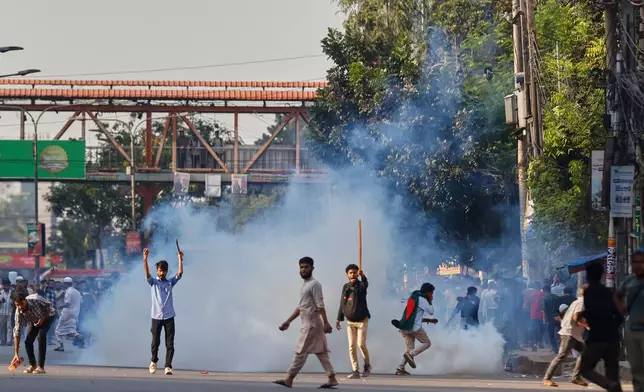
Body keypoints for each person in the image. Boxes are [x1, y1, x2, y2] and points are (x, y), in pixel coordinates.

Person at [274, 257, 338, 389]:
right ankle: (332, 378)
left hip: (312, 323)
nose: (303, 270)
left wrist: (326, 322)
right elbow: (301, 307)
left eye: (306, 267)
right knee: (321, 351)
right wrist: (288, 321)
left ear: (312, 268)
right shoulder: (305, 285)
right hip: (309, 322)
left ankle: (289, 379)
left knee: (300, 350)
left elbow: (320, 305)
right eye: (301, 267)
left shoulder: (315, 284)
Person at [579, 262, 623, 392]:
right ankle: (612, 385)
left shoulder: (589, 292)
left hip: (597, 338)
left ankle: (608, 385)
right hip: (613, 338)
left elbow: (593, 312)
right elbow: (619, 316)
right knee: (613, 375)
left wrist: (583, 314)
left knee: (585, 368)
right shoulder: (609, 292)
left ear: (588, 276)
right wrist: (612, 329)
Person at [144, 247, 184, 376]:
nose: (162, 273)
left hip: (169, 316)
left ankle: (168, 366)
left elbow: (180, 273)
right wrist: (145, 259)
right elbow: (147, 274)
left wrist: (179, 258)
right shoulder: (153, 282)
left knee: (170, 343)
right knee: (155, 342)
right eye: (160, 270)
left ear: (167, 271)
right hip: (156, 317)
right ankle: (154, 361)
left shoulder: (170, 282)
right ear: (157, 270)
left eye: (164, 271)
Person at [543, 286, 589, 387]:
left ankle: (575, 377)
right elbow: (576, 317)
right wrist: (586, 325)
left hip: (573, 334)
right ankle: (547, 379)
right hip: (568, 333)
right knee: (561, 356)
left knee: (585, 353)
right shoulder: (581, 303)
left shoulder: (579, 302)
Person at [392, 282, 438, 375]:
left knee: (409, 349)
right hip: (413, 328)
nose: (432, 295)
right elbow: (431, 311)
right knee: (427, 343)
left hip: (404, 326)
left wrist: (428, 320)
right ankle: (411, 355)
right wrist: (430, 301)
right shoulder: (423, 300)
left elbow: (414, 316)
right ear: (428, 292)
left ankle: (400, 368)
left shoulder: (414, 297)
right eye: (431, 293)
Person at [336, 264, 372, 379]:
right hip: (350, 321)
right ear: (347, 274)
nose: (352, 274)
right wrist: (339, 318)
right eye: (350, 273)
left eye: (354, 272)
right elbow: (342, 303)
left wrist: (363, 276)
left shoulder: (361, 286)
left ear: (357, 273)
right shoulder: (346, 287)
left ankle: (367, 366)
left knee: (361, 344)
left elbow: (365, 285)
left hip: (362, 321)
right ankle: (355, 371)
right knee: (352, 346)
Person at [615, 249, 644, 392]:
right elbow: (617, 296)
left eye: (641, 262)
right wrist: (622, 310)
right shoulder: (629, 281)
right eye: (635, 262)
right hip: (632, 331)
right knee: (637, 369)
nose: (637, 265)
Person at [12, 286, 56, 374]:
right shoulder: (18, 311)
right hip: (34, 319)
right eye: (17, 305)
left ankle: (41, 367)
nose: (20, 307)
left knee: (41, 337)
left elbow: (48, 305)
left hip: (48, 316)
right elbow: (17, 331)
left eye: (21, 304)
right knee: (28, 341)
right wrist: (16, 354)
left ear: (25, 300)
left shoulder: (35, 298)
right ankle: (33, 365)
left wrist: (42, 319)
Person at [54, 277, 84, 351]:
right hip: (75, 314)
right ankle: (80, 337)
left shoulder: (68, 292)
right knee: (71, 330)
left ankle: (61, 346)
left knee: (58, 330)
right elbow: (81, 302)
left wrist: (59, 307)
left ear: (65, 284)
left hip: (67, 314)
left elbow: (68, 303)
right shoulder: (77, 292)